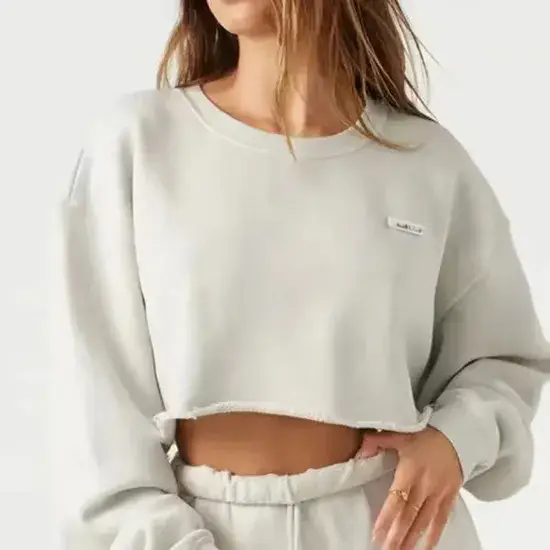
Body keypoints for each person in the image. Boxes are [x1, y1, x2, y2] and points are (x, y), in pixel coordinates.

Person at [53, 1, 550, 549]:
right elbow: (97, 406)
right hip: (206, 530)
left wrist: (456, 440)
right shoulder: (139, 143)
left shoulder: (427, 161)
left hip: (393, 528)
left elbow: (506, 357)